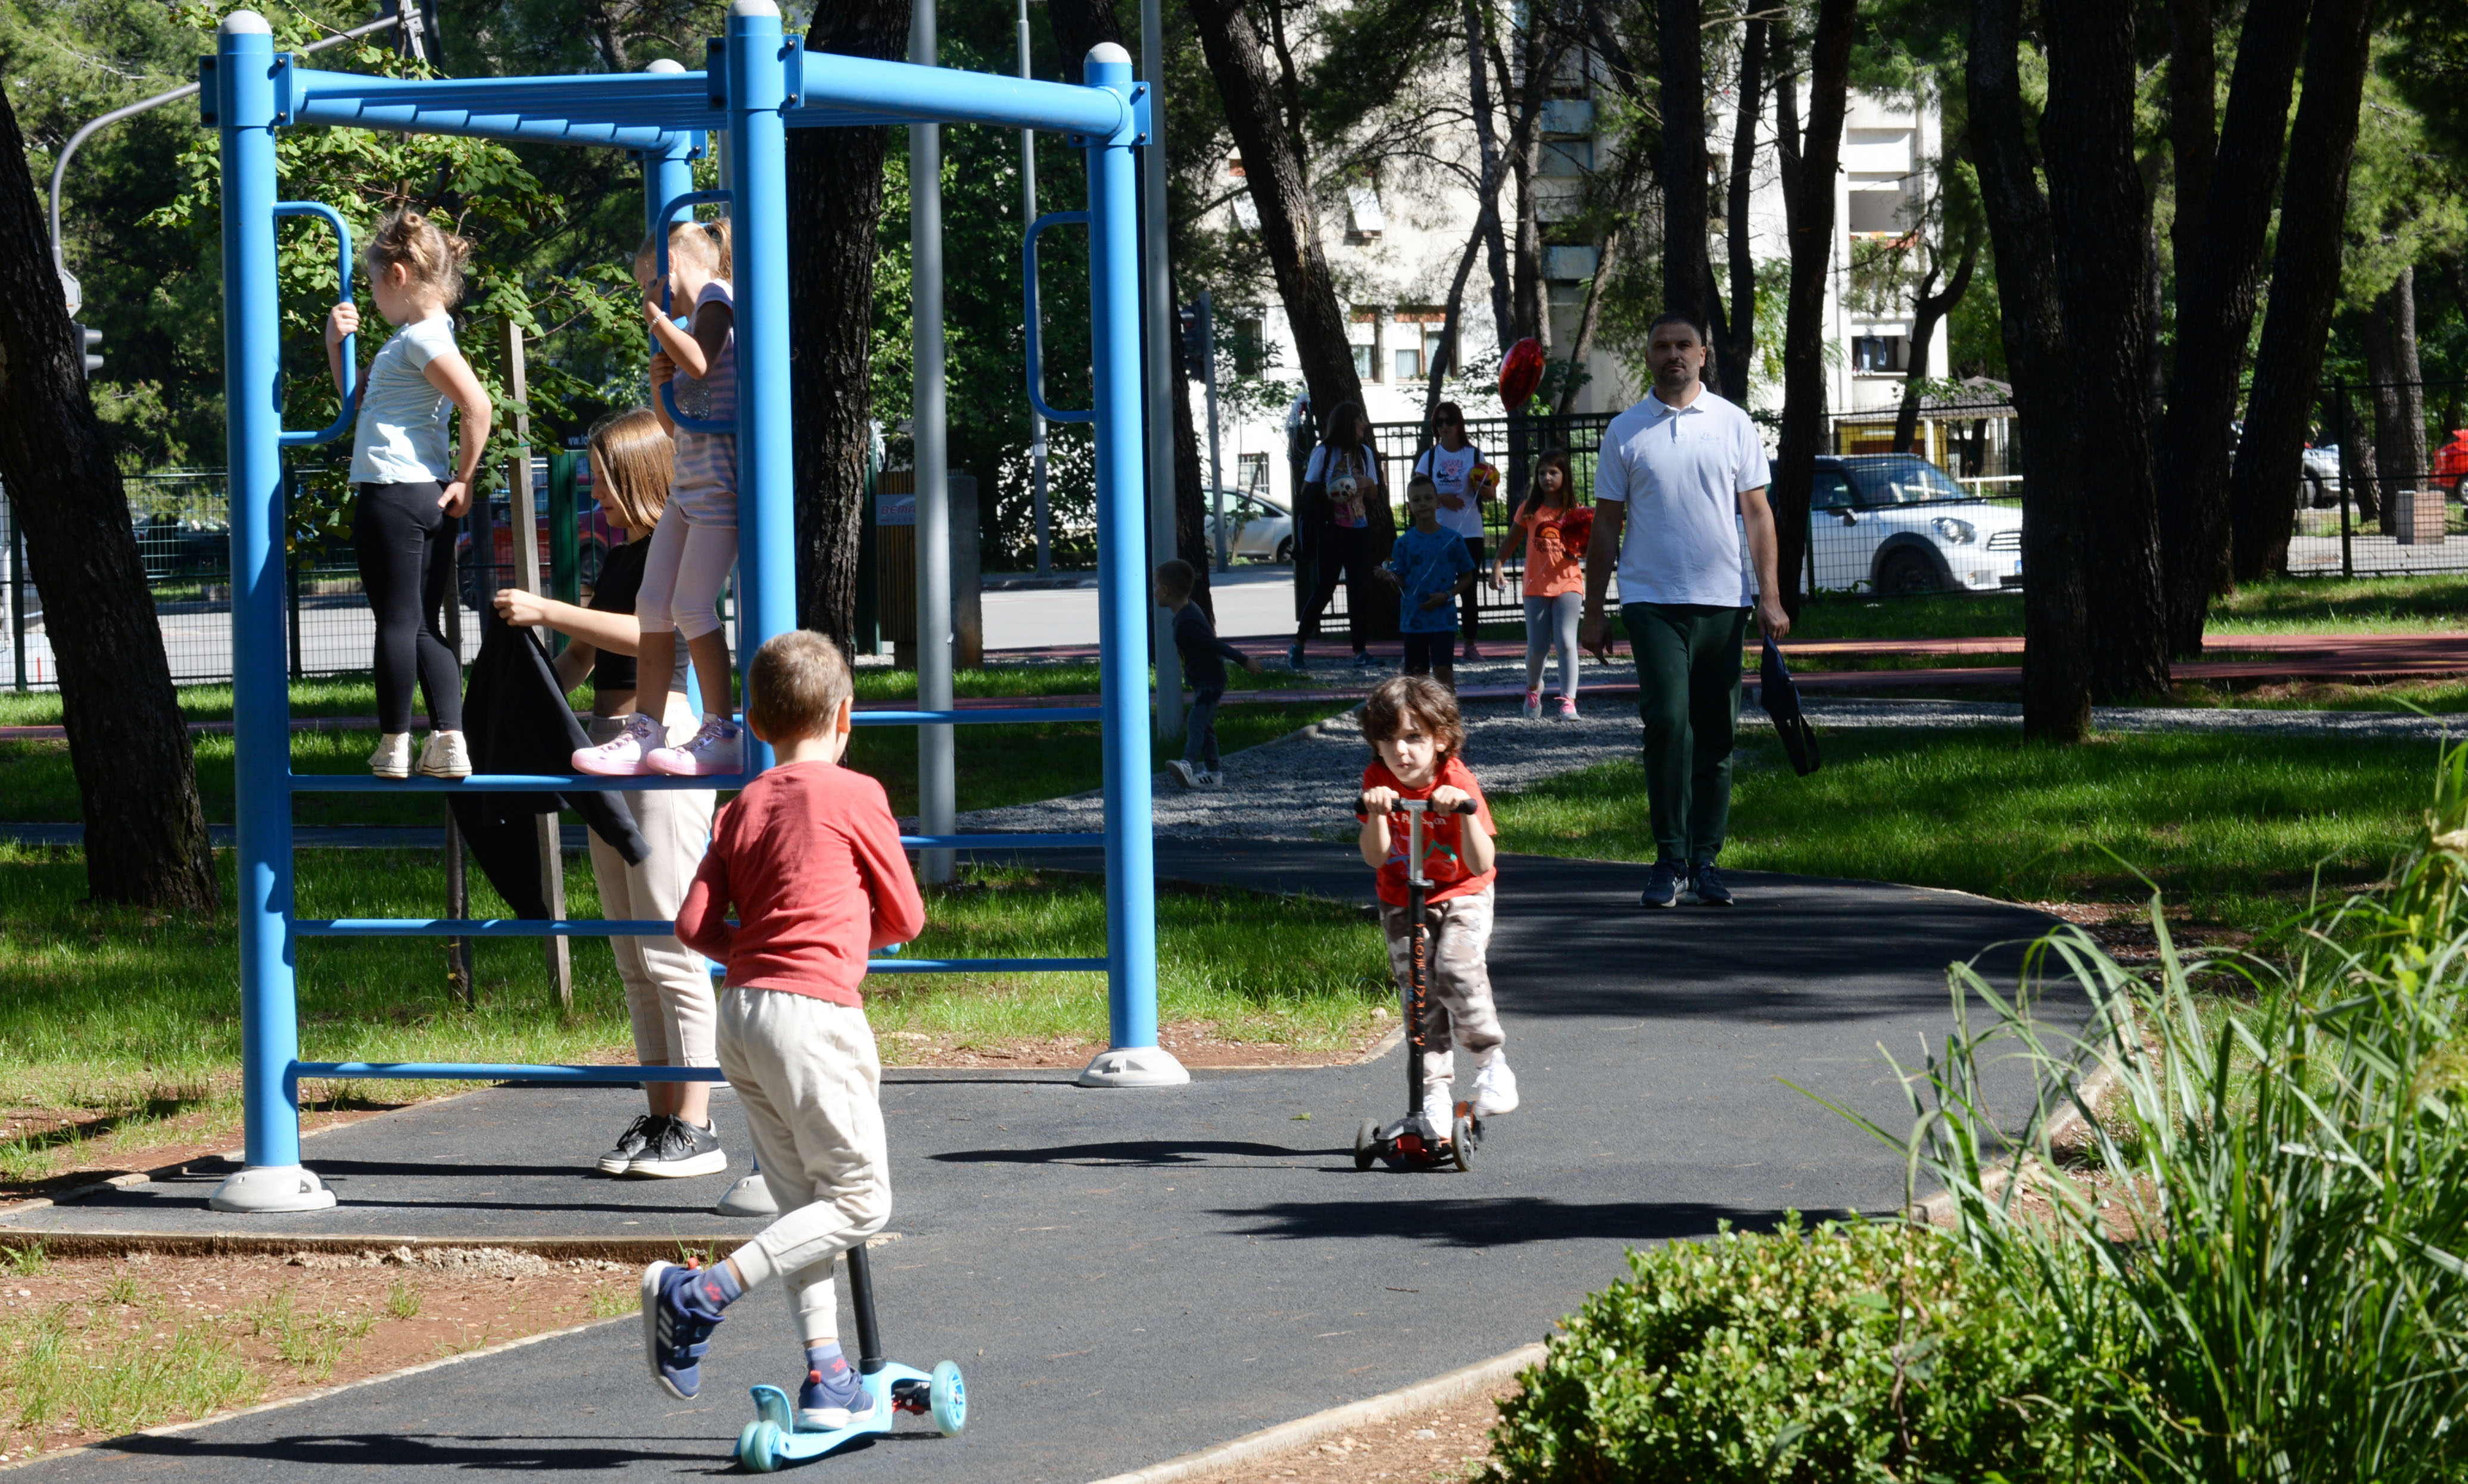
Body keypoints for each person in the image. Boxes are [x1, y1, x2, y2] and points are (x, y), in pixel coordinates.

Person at [643, 629, 926, 1431]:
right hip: (815, 1015)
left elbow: (694, 923)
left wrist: (760, 952)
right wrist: (834, 945)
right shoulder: (857, 794)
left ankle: (828, 1375)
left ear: (757, 726)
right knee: (863, 1202)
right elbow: (906, 915)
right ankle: (699, 1293)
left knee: (804, 1205)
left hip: (743, 1016)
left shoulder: (743, 806)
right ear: (847, 715)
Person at [494, 409, 723, 1179]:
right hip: (609, 748)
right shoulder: (624, 557)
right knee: (632, 953)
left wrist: (550, 610)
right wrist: (516, 699)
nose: (596, 498)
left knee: (670, 945)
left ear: (644, 477)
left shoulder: (675, 550)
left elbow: (654, 637)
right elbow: (583, 658)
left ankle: (697, 1120)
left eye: (605, 482)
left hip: (665, 743)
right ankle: (662, 1114)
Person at [1578, 311, 1788, 911]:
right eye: (1662, 346)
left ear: (1703, 354)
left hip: (1722, 601)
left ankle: (1706, 860)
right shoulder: (1626, 430)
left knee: (1717, 732)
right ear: (1648, 357)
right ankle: (1669, 857)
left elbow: (1757, 514)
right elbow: (1606, 526)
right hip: (1651, 602)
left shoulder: (1733, 423)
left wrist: (1768, 595)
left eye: (1684, 346)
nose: (1673, 354)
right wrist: (1593, 612)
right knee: (1669, 722)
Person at [325, 207, 491, 780]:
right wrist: (334, 345)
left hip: (392, 494)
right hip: (425, 494)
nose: (372, 297)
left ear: (397, 276)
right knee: (422, 624)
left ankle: (394, 741)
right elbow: (361, 405)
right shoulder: (430, 335)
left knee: (396, 622)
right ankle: (450, 738)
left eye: (373, 283)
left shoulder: (419, 337)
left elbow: (478, 405)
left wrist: (467, 477)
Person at [575, 217, 743, 779]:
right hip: (687, 487)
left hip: (719, 490)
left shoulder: (717, 302)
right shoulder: (690, 323)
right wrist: (658, 389)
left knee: (693, 606)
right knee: (654, 605)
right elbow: (677, 429)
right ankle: (645, 727)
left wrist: (659, 322)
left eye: (651, 281)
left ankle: (720, 726)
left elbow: (701, 361)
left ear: (679, 268)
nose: (648, 294)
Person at [1355, 675, 1517, 1131]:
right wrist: (1376, 812)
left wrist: (1463, 808)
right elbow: (1375, 856)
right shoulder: (1378, 779)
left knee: (1457, 966)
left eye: (1413, 738)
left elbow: (1482, 860)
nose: (1400, 752)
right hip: (1402, 896)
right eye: (1388, 741)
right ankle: (1435, 1096)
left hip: (1464, 891)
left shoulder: (1457, 778)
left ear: (1441, 739)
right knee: (1419, 992)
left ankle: (1492, 1067)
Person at [1491, 448, 1589, 719]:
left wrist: (1581, 549)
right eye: (1542, 472)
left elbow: (1588, 546)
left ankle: (1569, 701)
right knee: (1537, 647)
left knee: (1567, 641)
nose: (1547, 477)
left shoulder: (1575, 511)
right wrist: (1497, 565)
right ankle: (1534, 690)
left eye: (1553, 472)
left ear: (1564, 476)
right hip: (1536, 586)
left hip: (1569, 583)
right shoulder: (1529, 509)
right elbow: (1511, 540)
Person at [1288, 401, 1385, 672]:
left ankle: (1360, 651)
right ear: (1347, 423)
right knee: (1325, 588)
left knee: (1359, 590)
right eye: (1359, 420)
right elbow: (1307, 491)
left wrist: (1367, 484)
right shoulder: (1325, 453)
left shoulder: (1365, 453)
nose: (1363, 425)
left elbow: (1375, 494)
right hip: (1332, 529)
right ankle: (1298, 644)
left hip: (1359, 529)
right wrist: (1334, 490)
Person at [1155, 558, 1263, 790]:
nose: (1154, 592)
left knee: (1196, 721)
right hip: (1203, 679)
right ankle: (1213, 774)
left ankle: (1188, 763)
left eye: (1156, 587)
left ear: (1166, 590)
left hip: (1210, 680)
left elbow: (1214, 645)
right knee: (1205, 725)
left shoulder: (1187, 621)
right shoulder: (1187, 612)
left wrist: (1244, 661)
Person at [1411, 402, 1494, 659]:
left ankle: (1470, 645)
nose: (1444, 427)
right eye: (1440, 423)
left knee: (1469, 589)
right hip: (1438, 530)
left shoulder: (1475, 455)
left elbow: (1490, 494)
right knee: (1435, 584)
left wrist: (1482, 485)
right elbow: (1416, 489)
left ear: (1460, 425)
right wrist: (1441, 497)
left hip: (1470, 531)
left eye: (1449, 421)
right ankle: (1430, 641)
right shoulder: (1430, 457)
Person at [1381, 475, 1476, 691]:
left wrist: (1447, 595)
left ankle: (1448, 717)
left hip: (1443, 618)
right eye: (1416, 500)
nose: (1422, 504)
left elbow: (1467, 576)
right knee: (1416, 676)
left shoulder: (1453, 539)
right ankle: (1418, 719)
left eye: (1427, 498)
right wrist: (1390, 578)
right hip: (1413, 619)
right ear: (1409, 505)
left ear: (1437, 502)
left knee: (1443, 671)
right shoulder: (1402, 543)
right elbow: (1400, 581)